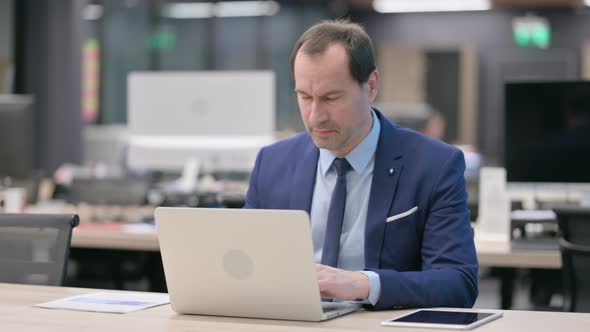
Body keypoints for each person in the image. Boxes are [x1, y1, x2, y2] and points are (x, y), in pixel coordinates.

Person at [244, 19, 478, 310]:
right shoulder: (272, 163)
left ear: (371, 87)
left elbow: (458, 283)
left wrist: (363, 285)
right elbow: (246, 268)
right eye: (305, 97)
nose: (315, 116)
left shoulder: (434, 165)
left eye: (331, 98)